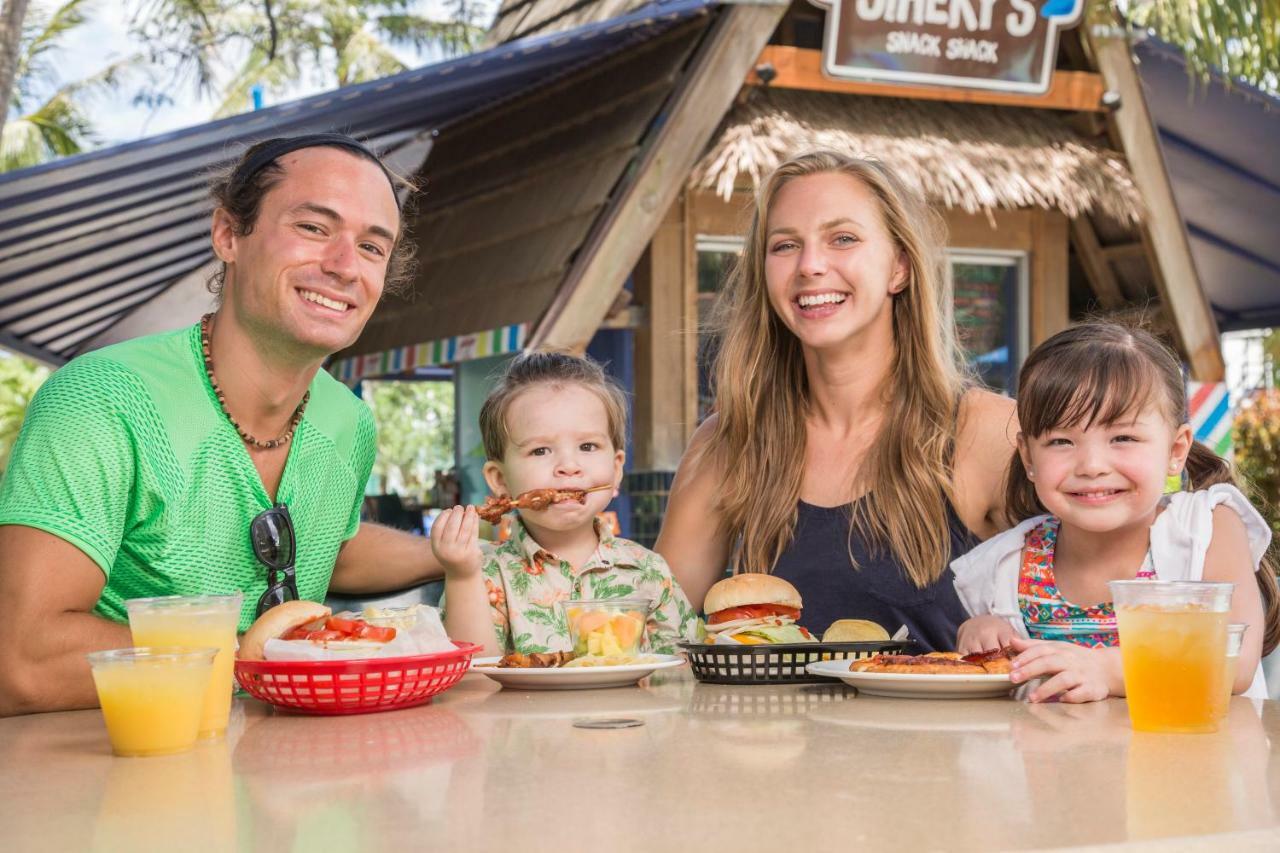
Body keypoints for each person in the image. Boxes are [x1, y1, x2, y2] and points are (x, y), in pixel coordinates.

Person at [0, 133, 447, 716]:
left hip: (296, 779)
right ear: (228, 235)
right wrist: (262, 660)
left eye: (372, 247)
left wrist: (468, 548)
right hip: (111, 775)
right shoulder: (101, 398)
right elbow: (23, 660)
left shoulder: (349, 423)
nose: (343, 266)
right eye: (313, 228)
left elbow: (325, 547)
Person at [655, 150, 1017, 652]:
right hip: (772, 731)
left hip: (944, 732)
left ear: (900, 268)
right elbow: (651, 633)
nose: (810, 266)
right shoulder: (727, 442)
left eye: (842, 239)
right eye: (784, 246)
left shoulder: (987, 430)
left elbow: (1093, 604)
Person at [953, 323, 1278, 702]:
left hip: (1192, 758)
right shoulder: (1005, 566)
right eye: (1061, 441)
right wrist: (981, 633)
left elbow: (1233, 660)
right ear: (1028, 456)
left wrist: (1107, 669)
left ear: (1176, 451)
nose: (1092, 465)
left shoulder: (1206, 529)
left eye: (1122, 438)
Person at [431, 351, 697, 656]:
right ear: (500, 480)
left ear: (616, 468)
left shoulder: (649, 570)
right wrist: (462, 576)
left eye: (587, 446)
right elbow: (473, 684)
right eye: (541, 450)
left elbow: (681, 674)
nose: (568, 465)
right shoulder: (486, 574)